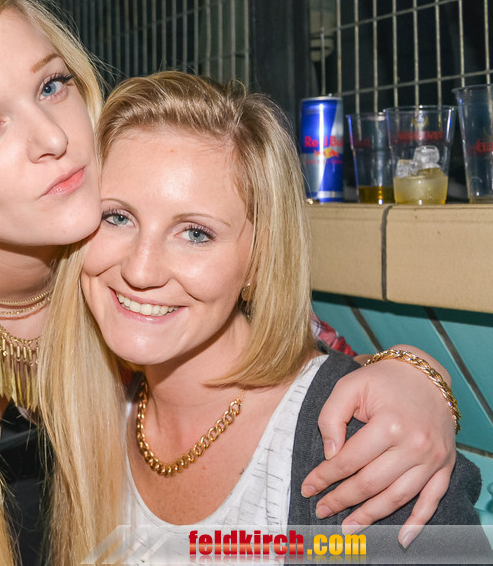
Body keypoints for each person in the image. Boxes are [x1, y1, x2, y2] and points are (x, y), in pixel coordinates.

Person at [0, 0, 464, 564]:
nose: (51, 138)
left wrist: (417, 379)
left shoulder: (102, 268)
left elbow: (298, 351)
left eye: (51, 86)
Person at [42, 71, 490, 563]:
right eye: (117, 217)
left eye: (195, 233)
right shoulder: (82, 411)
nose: (140, 270)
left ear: (258, 259)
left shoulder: (358, 450)